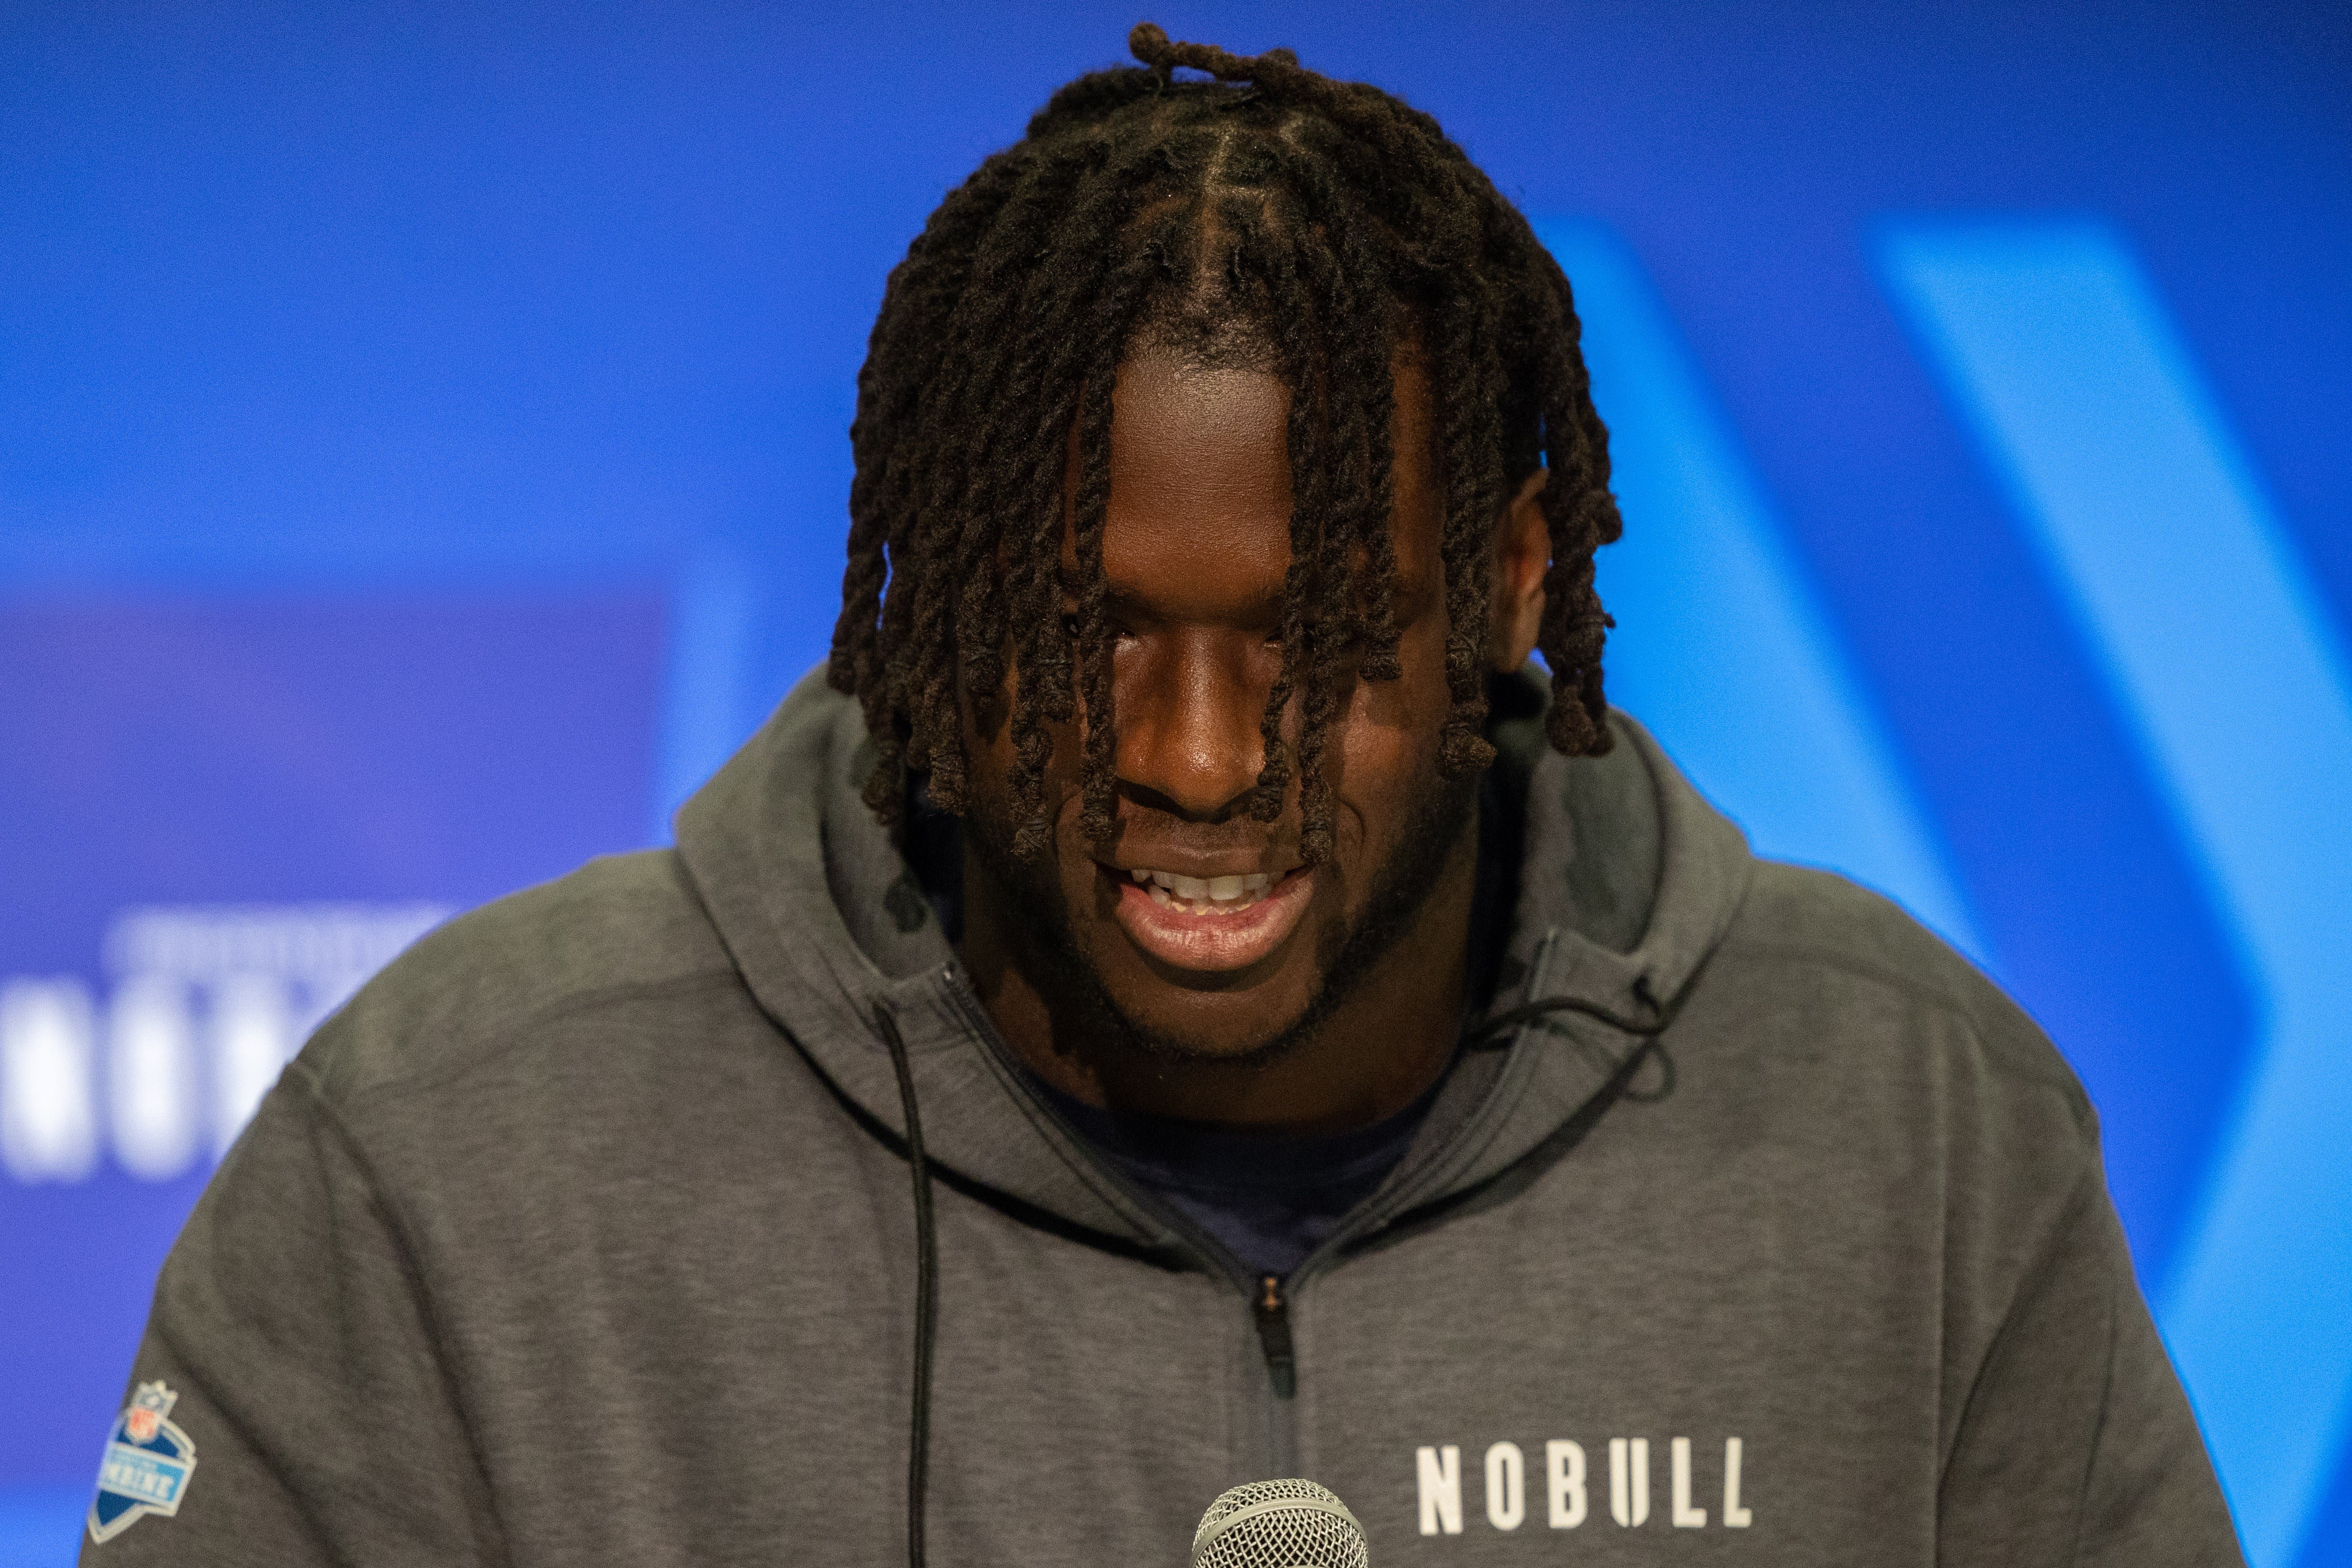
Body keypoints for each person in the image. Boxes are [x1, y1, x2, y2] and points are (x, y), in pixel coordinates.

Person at [85, 24, 2241, 1567]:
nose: (1200, 762)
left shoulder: (1908, 1125)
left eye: (1323, 641)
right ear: (935, 599)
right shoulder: (457, 1165)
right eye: (1082, 630)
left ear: (1511, 588)